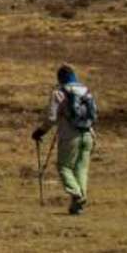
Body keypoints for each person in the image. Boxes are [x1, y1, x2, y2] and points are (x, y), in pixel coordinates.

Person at [32, 64, 96, 214]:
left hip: (70, 136)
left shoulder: (59, 93)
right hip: (88, 135)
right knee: (81, 168)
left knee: (64, 166)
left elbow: (51, 118)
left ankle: (76, 193)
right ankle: (78, 205)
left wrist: (40, 132)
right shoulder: (86, 91)